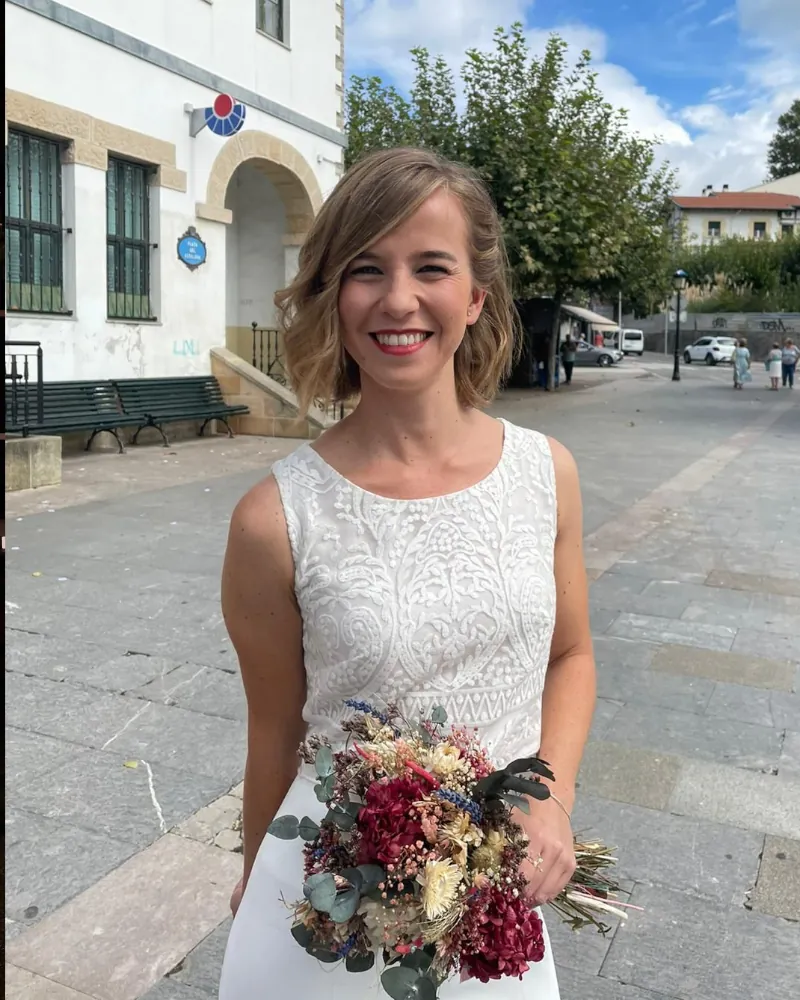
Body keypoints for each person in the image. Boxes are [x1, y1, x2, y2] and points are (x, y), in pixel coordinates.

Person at [217, 147, 596, 999]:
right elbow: (275, 734)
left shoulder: (547, 474)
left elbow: (570, 658)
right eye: (364, 270)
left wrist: (554, 799)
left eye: (430, 267)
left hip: (496, 896)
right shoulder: (274, 520)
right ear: (331, 295)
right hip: (330, 897)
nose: (396, 300)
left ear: (474, 297)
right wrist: (255, 879)